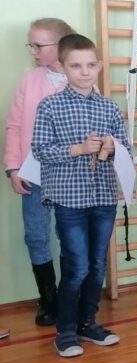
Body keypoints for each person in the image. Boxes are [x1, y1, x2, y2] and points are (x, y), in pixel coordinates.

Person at [32, 34, 131, 359]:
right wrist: (79, 148)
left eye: (90, 65)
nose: (85, 72)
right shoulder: (50, 106)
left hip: (103, 198)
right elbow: (41, 151)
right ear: (63, 67)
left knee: (97, 266)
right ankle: (66, 330)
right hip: (69, 201)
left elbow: (126, 148)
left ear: (99, 66)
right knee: (76, 266)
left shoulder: (109, 107)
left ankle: (88, 322)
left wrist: (112, 147)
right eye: (76, 66)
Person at [6, 17, 74, 328]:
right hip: (33, 175)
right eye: (30, 45)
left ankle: (70, 295)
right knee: (35, 235)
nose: (33, 51)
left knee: (70, 235)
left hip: (70, 177)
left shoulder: (81, 77)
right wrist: (13, 166)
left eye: (38, 45)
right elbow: (14, 125)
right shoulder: (30, 81)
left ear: (60, 46)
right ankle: (48, 298)